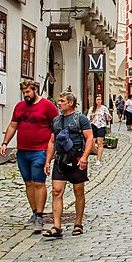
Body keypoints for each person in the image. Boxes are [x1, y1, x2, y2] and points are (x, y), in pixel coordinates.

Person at [0, 80, 59, 233]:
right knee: (28, 183)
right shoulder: (19, 107)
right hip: (23, 151)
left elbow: (56, 127)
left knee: (39, 182)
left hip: (40, 150)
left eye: (28, 92)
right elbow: (13, 125)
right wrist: (5, 142)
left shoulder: (47, 106)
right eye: (24, 92)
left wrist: (54, 149)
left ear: (35, 90)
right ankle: (34, 211)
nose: (25, 95)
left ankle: (40, 215)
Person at [42, 90, 93, 237]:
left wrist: (84, 157)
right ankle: (57, 226)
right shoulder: (56, 121)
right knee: (57, 191)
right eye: (59, 100)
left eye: (62, 101)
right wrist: (47, 161)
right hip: (60, 160)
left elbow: (89, 138)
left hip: (76, 159)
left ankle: (78, 223)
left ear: (70, 103)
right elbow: (52, 141)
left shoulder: (81, 119)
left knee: (78, 191)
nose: (59, 103)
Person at [87, 94, 112, 166]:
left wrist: (108, 116)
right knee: (91, 143)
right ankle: (98, 153)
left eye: (100, 100)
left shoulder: (104, 108)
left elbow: (109, 117)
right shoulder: (92, 108)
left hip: (101, 126)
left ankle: (98, 159)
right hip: (93, 125)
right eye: (97, 100)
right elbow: (88, 117)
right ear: (95, 101)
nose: (98, 101)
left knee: (99, 142)